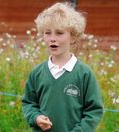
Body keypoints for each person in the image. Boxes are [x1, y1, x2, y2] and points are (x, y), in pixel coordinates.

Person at [22, 2, 103, 132]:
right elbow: (29, 103)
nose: (52, 39)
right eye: (47, 33)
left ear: (73, 37)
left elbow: (94, 111)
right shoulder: (36, 73)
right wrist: (36, 118)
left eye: (59, 33)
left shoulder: (84, 74)